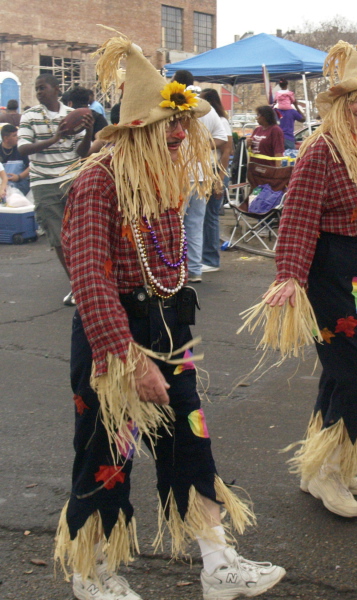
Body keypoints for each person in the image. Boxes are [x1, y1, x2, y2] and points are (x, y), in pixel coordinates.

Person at [56, 34, 285, 600]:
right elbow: (89, 280)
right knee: (108, 449)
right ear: (137, 129)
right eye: (167, 126)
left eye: (182, 125)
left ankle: (218, 564)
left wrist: (167, 336)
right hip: (115, 341)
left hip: (168, 328)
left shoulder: (167, 174)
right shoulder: (99, 180)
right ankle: (95, 572)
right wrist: (129, 361)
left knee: (191, 440)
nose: (180, 134)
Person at [258, 42, 357, 518]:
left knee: (341, 370)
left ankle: (319, 466)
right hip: (332, 273)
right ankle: (329, 473)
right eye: (356, 100)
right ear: (341, 106)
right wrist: (288, 277)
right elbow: (299, 219)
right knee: (355, 374)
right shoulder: (321, 148)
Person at [17, 73, 93, 305]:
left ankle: (89, 281)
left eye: (43, 87)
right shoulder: (30, 116)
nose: (39, 92)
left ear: (57, 89)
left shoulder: (71, 116)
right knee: (59, 237)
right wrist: (54, 138)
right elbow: (23, 149)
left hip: (71, 178)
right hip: (43, 182)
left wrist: (88, 131)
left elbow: (81, 153)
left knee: (80, 234)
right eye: (37, 88)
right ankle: (77, 286)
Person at [171, 70, 228, 283]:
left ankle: (179, 269)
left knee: (175, 222)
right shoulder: (208, 110)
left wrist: (195, 147)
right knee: (195, 224)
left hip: (179, 174)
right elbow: (221, 139)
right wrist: (201, 148)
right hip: (201, 175)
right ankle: (194, 269)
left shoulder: (171, 107)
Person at [198, 88, 233, 274]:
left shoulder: (220, 121)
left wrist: (220, 178)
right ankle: (206, 256)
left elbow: (227, 150)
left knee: (210, 216)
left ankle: (211, 258)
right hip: (209, 170)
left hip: (216, 172)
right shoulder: (216, 120)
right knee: (204, 217)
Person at [0, 124, 30, 196]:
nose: (18, 137)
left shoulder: (21, 149)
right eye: (14, 135)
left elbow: (32, 166)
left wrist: (19, 177)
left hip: (21, 189)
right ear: (6, 138)